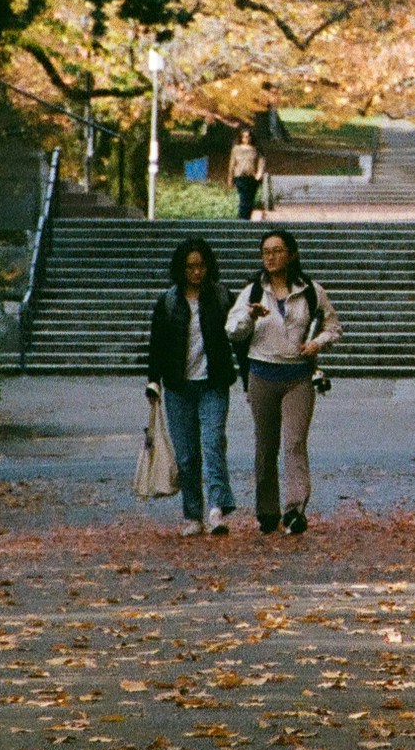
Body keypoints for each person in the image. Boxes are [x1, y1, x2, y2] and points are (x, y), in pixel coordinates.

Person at [227, 226, 340, 535]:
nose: (271, 257)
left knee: (294, 442)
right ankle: (266, 509)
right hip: (262, 373)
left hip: (298, 377)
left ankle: (294, 509)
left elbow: (333, 327)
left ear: (291, 255)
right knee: (266, 445)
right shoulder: (252, 291)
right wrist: (251, 316)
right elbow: (232, 330)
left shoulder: (310, 290)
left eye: (277, 251)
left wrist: (318, 343)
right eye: (266, 252)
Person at [145, 235, 236, 537]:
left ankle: (217, 509)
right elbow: (156, 345)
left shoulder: (222, 297)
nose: (196, 273)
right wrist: (153, 382)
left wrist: (247, 379)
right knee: (186, 454)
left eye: (201, 266)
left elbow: (240, 334)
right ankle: (192, 514)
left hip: (213, 383)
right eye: (190, 267)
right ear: (180, 270)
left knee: (213, 444)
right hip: (178, 386)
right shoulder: (169, 302)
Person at [226, 125, 266, 219]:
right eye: (244, 137)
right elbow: (232, 164)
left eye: (248, 136)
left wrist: (259, 173)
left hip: (252, 177)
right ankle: (241, 219)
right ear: (241, 138)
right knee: (243, 198)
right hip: (240, 176)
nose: (247, 139)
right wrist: (230, 178)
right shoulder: (236, 149)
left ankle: (247, 218)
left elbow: (261, 161)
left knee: (250, 199)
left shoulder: (255, 149)